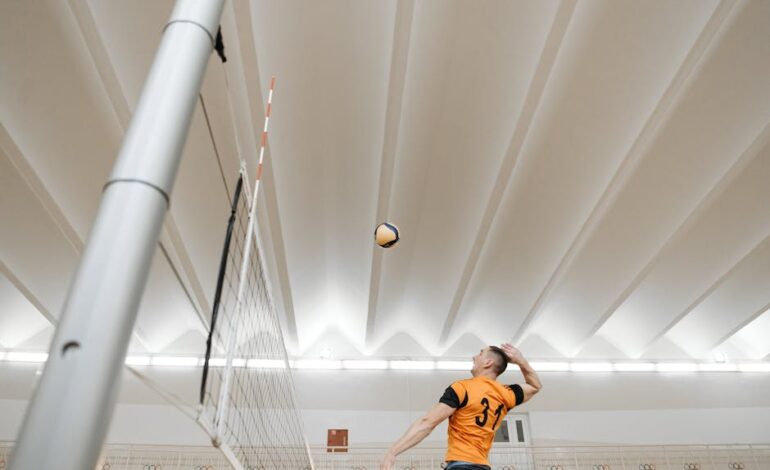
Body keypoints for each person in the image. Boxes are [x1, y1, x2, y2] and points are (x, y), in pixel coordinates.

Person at [380, 343, 542, 470]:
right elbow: (535, 385)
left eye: (480, 353)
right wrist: (521, 361)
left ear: (488, 362)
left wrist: (393, 452)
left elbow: (427, 422)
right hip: (483, 466)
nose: (474, 356)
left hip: (462, 465)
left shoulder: (462, 388)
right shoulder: (506, 394)